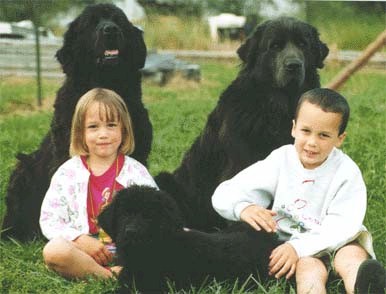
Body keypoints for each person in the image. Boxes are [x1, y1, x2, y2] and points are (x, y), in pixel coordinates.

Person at [212, 88, 385, 294]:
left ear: (339, 138)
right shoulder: (281, 160)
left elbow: (343, 225)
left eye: (323, 135)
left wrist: (299, 248)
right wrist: (243, 208)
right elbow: (224, 193)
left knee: (351, 258)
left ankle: (366, 286)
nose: (312, 142)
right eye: (306, 131)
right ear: (294, 128)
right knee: (308, 270)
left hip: (338, 240)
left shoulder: (346, 172)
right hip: (297, 247)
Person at [40, 88, 158, 279]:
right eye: (93, 127)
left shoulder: (136, 172)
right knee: (55, 251)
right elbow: (50, 220)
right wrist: (79, 239)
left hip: (129, 249)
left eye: (111, 125)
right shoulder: (67, 173)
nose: (103, 134)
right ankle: (108, 275)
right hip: (83, 250)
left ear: (124, 129)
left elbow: (156, 213)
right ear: (80, 133)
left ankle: (114, 271)